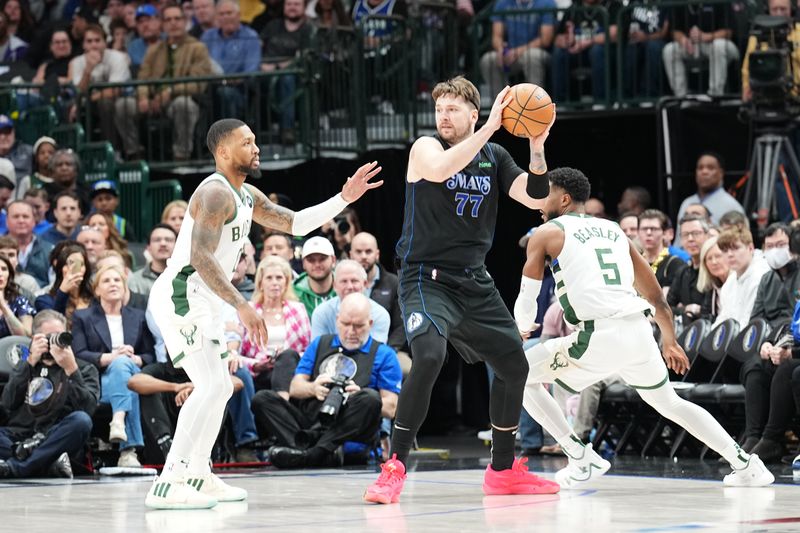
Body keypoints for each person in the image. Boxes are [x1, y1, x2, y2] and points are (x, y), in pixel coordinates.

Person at [144, 118, 383, 509]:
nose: (256, 148)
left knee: (220, 386)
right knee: (209, 385)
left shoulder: (246, 195)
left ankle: (198, 474)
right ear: (223, 152)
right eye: (247, 142)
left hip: (205, 297)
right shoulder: (214, 194)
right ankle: (169, 482)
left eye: (255, 141)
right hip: (181, 293)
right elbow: (201, 257)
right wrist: (241, 304)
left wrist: (344, 198)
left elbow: (294, 223)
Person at [514, 166, 775, 489]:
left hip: (599, 335)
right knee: (670, 403)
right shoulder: (615, 232)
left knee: (517, 374)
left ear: (564, 199)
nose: (539, 201)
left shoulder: (547, 233)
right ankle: (746, 464)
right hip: (639, 333)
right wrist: (669, 341)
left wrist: (522, 327)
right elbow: (656, 298)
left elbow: (528, 298)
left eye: (546, 194)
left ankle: (579, 456)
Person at [364, 76, 557, 504]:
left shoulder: (495, 155)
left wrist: (537, 144)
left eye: (453, 109)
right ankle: (394, 467)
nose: (444, 117)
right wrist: (491, 127)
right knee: (430, 356)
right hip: (425, 277)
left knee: (515, 366)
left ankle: (503, 470)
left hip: (473, 280)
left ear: (472, 113)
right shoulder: (425, 148)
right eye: (440, 110)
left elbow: (535, 198)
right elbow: (440, 170)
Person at [257, 292, 401, 468]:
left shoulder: (385, 354)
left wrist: (357, 394)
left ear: (370, 324)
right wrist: (313, 388)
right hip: (313, 417)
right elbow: (295, 388)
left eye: (358, 326)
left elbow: (391, 407)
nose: (351, 332)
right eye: (345, 324)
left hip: (348, 426)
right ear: (337, 320)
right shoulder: (320, 343)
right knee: (262, 399)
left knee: (370, 398)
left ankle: (312, 454)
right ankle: (317, 451)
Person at [72, 264, 155, 469]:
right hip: (102, 380)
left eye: (117, 280)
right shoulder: (83, 317)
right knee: (127, 381)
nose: (113, 284)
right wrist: (110, 357)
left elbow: (150, 354)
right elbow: (78, 353)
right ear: (97, 289)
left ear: (125, 287)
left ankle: (118, 420)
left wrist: (137, 359)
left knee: (124, 367)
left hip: (132, 371)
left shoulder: (137, 316)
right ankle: (128, 452)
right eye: (106, 281)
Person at [0, 310, 99, 479]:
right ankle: (46, 465)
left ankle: (18, 467)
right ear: (34, 338)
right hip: (20, 436)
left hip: (55, 437)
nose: (54, 342)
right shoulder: (25, 361)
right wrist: (29, 362)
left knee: (81, 421)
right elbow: (7, 403)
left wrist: (71, 370)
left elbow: (88, 410)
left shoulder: (83, 367)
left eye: (59, 336)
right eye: (49, 337)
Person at [227, 255, 311, 392]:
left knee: (286, 358)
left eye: (279, 278)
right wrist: (256, 365)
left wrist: (287, 356)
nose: (275, 283)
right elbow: (238, 354)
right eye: (269, 278)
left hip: (290, 372)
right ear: (260, 283)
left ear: (286, 282)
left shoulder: (298, 310)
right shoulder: (248, 310)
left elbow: (308, 351)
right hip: (257, 375)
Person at [478, 0, 554, 98]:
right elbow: (496, 36)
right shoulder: (502, 3)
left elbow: (546, 39)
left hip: (539, 52)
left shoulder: (546, 3)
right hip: (510, 54)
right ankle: (502, 104)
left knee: (532, 56)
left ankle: (536, 103)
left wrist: (517, 52)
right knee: (488, 59)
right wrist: (501, 49)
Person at [311, 259, 390, 343]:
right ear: (334, 285)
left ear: (365, 284)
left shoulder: (379, 314)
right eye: (344, 281)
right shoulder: (321, 313)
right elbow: (318, 350)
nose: (349, 287)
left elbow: (375, 352)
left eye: (354, 281)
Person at [675, 152, 745, 230]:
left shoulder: (732, 206)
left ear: (721, 173)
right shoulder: (686, 203)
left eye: (710, 168)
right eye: (700, 168)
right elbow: (678, 240)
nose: (704, 172)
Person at [34, 242, 92, 327]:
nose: (74, 268)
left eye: (80, 264)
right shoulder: (44, 301)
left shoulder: (95, 297)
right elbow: (53, 327)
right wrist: (63, 292)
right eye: (69, 263)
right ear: (60, 269)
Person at [7, 200, 52, 288]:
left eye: (25, 216)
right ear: (7, 221)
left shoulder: (50, 250)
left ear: (34, 221)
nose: (21, 220)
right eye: (16, 216)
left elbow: (54, 285)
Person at [127, 224, 178, 296]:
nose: (163, 243)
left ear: (177, 246)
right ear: (148, 247)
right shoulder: (135, 280)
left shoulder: (187, 278)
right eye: (157, 240)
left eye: (168, 240)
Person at [293, 236, 337, 317]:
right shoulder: (293, 293)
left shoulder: (347, 288)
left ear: (333, 260)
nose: (317, 265)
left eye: (322, 259)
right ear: (303, 263)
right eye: (311, 260)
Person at [697, 236, 729, 320]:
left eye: (718, 256)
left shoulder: (738, 283)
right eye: (709, 258)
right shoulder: (710, 289)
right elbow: (705, 318)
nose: (714, 262)